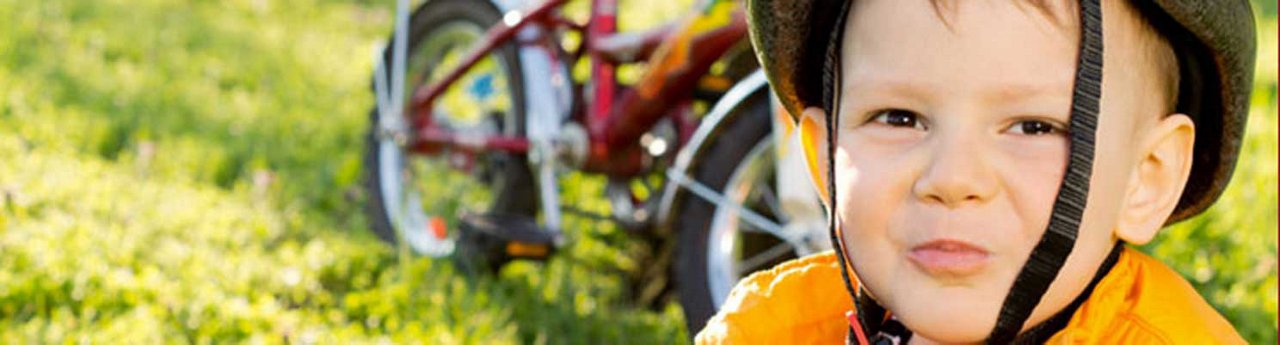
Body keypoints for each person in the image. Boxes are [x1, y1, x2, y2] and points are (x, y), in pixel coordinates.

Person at [695, 0, 1257, 343]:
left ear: (1146, 177)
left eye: (1034, 127)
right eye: (899, 117)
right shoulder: (770, 330)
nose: (952, 179)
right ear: (825, 156)